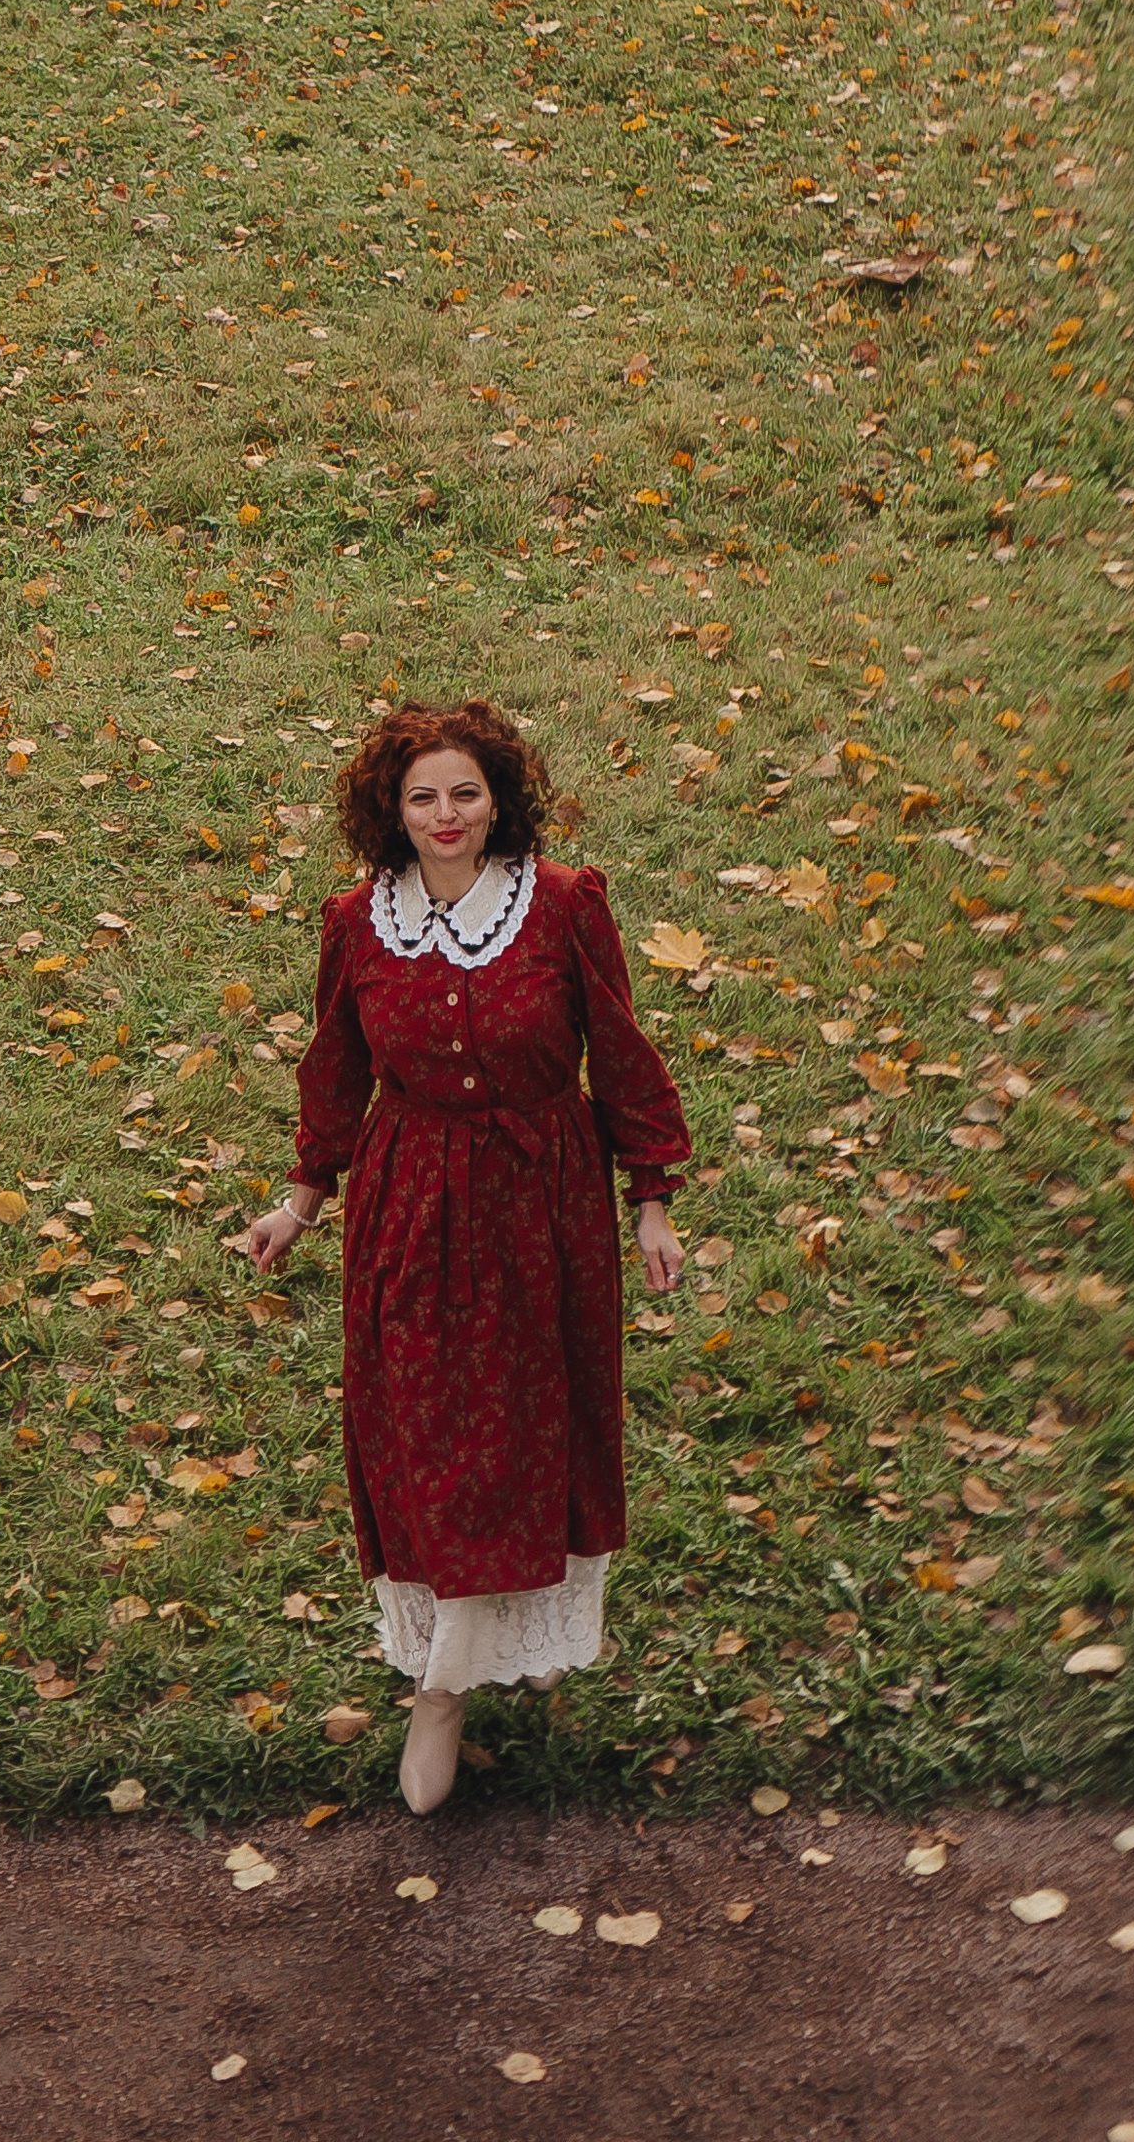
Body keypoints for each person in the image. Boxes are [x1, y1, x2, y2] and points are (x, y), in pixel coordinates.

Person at [244, 702, 690, 1813]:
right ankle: (459, 1657)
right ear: (389, 812)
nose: (446, 816)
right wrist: (298, 1206)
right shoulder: (356, 921)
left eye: (465, 793)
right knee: (426, 1435)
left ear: (499, 799)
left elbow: (622, 1057)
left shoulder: (564, 906)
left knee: (516, 1441)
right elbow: (334, 1074)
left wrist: (651, 1203)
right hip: (407, 1203)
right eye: (422, 797)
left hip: (542, 1206)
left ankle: (440, 1691)